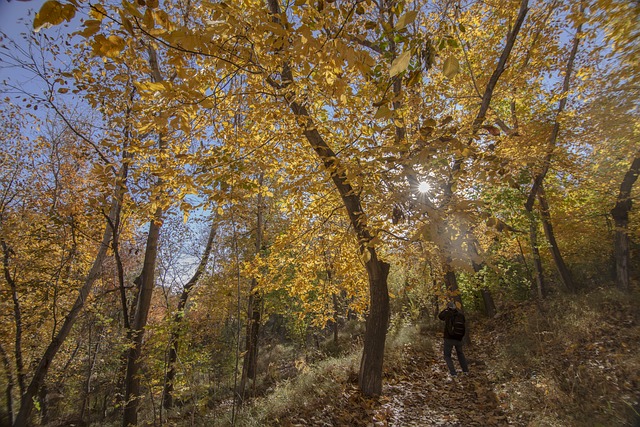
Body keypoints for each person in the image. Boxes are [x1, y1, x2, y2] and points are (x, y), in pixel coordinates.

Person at [438, 301, 469, 377]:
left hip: (449, 338)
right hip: (459, 338)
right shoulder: (461, 315)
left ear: (449, 307)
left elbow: (440, 316)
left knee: (447, 355)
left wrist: (445, 309)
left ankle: (453, 373)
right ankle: (465, 371)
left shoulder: (447, 314)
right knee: (460, 354)